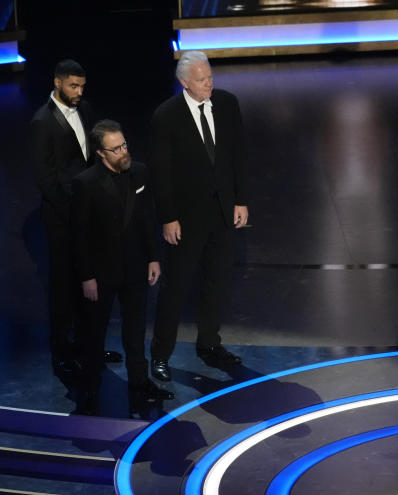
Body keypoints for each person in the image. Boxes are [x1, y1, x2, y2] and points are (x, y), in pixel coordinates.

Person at [149, 50, 249, 381]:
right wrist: (168, 217)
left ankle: (209, 344)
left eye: (210, 76)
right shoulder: (166, 115)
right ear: (184, 83)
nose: (210, 83)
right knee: (175, 289)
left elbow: (237, 155)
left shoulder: (227, 103)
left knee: (217, 284)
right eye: (202, 79)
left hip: (222, 213)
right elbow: (161, 172)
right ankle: (160, 355)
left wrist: (240, 200)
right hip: (186, 219)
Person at [71, 120, 172, 414]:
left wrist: (154, 257)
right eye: (115, 149)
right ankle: (90, 387)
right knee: (94, 331)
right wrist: (87, 276)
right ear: (100, 153)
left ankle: (139, 382)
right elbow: (79, 235)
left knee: (135, 328)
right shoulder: (85, 183)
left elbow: (146, 219)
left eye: (124, 145)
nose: (123, 152)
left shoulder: (139, 172)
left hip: (135, 267)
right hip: (100, 274)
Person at [28, 59, 120, 374]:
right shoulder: (43, 121)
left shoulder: (86, 109)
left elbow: (94, 157)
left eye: (82, 86)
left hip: (89, 215)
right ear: (57, 83)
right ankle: (62, 350)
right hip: (62, 219)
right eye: (73, 86)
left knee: (91, 283)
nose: (79, 92)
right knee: (64, 286)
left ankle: (90, 346)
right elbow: (45, 178)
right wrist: (74, 213)